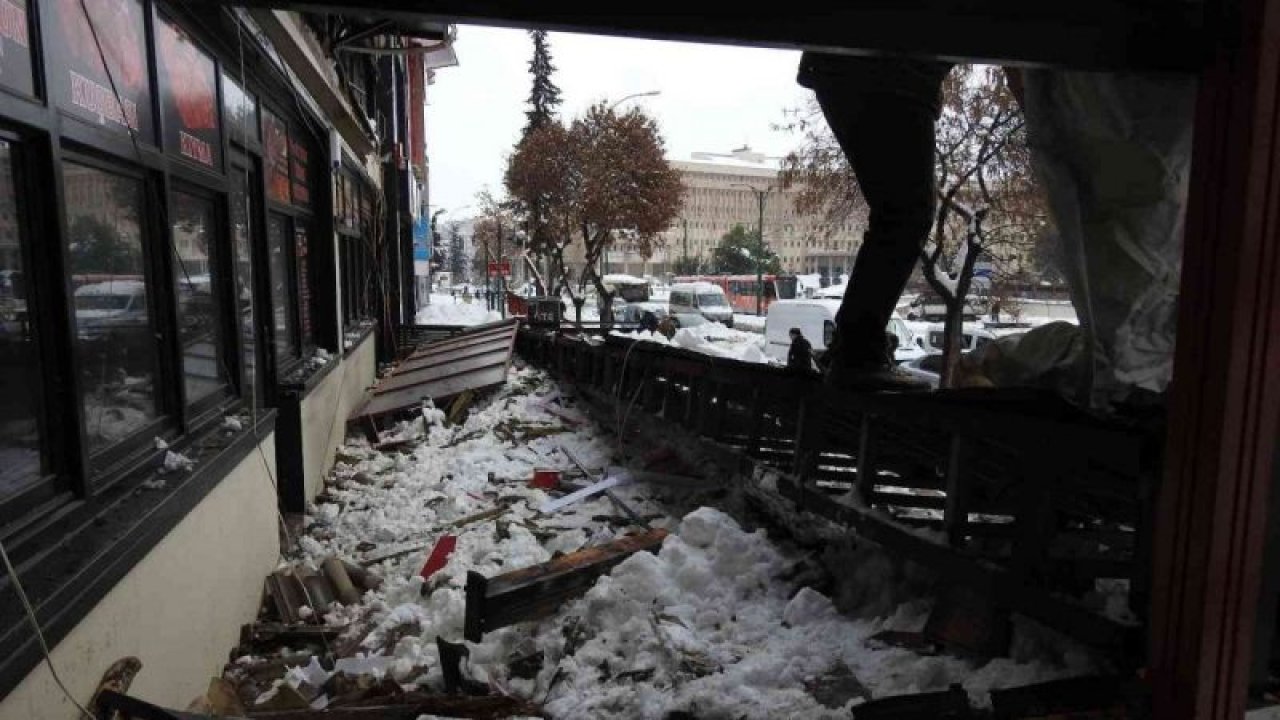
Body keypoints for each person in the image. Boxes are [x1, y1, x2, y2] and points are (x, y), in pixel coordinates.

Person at [796, 53, 951, 391]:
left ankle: (854, 346)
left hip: (864, 69)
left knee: (900, 211)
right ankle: (857, 351)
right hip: (891, 73)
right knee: (906, 212)